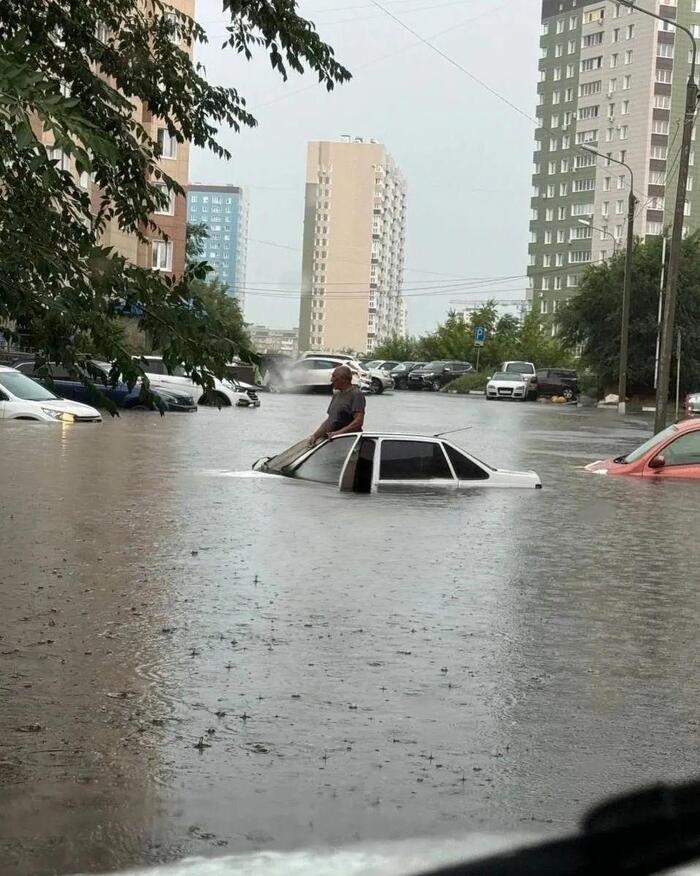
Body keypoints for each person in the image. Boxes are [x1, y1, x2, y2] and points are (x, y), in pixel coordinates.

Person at [308, 365, 366, 445]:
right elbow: (330, 420)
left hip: (348, 442)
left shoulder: (356, 395)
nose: (331, 380)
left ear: (343, 379)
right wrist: (315, 435)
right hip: (333, 441)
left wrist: (338, 433)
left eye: (334, 377)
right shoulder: (337, 394)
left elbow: (358, 421)